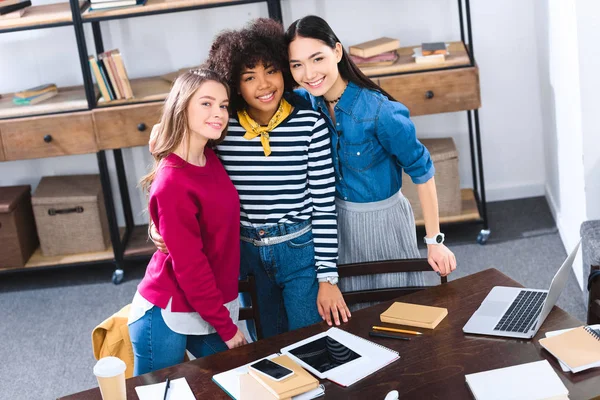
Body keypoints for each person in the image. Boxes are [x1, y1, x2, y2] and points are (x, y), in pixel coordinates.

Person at [150, 19, 351, 338]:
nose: (264, 85)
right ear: (234, 84)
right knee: (265, 345)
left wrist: (328, 278)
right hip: (245, 255)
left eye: (271, 70)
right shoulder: (221, 129)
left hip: (299, 250)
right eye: (249, 77)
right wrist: (157, 224)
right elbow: (183, 174)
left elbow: (324, 208)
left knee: (309, 338)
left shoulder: (310, 127)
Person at [284, 16, 457, 301]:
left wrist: (435, 241)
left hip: (385, 223)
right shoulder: (304, 105)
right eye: (297, 65)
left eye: (317, 59)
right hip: (334, 225)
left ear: (337, 52)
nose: (309, 73)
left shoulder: (380, 112)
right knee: (349, 318)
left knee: (396, 312)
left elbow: (422, 171)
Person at [128, 69, 247, 376]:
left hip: (205, 305)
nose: (218, 113)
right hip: (166, 314)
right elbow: (191, 267)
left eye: (223, 105)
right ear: (183, 107)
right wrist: (227, 327)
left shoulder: (209, 157)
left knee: (246, 375)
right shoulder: (173, 182)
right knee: (157, 396)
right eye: (206, 103)